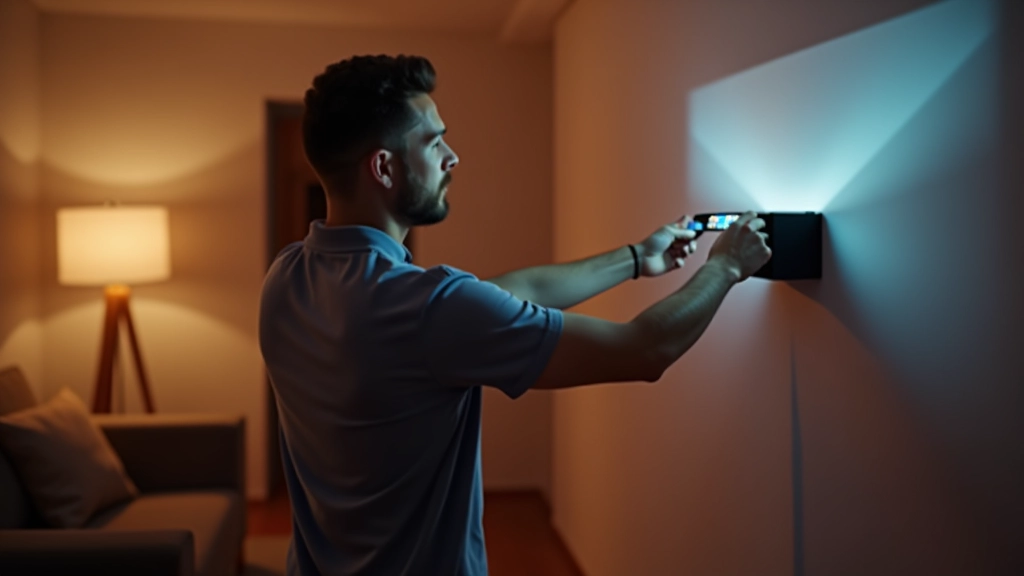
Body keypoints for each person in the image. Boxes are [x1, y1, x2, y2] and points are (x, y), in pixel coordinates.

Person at [258, 54, 771, 576]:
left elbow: (498, 297)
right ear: (384, 167)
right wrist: (725, 266)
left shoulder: (286, 278)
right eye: (434, 142)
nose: (452, 157)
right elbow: (644, 349)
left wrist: (637, 258)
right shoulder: (431, 309)